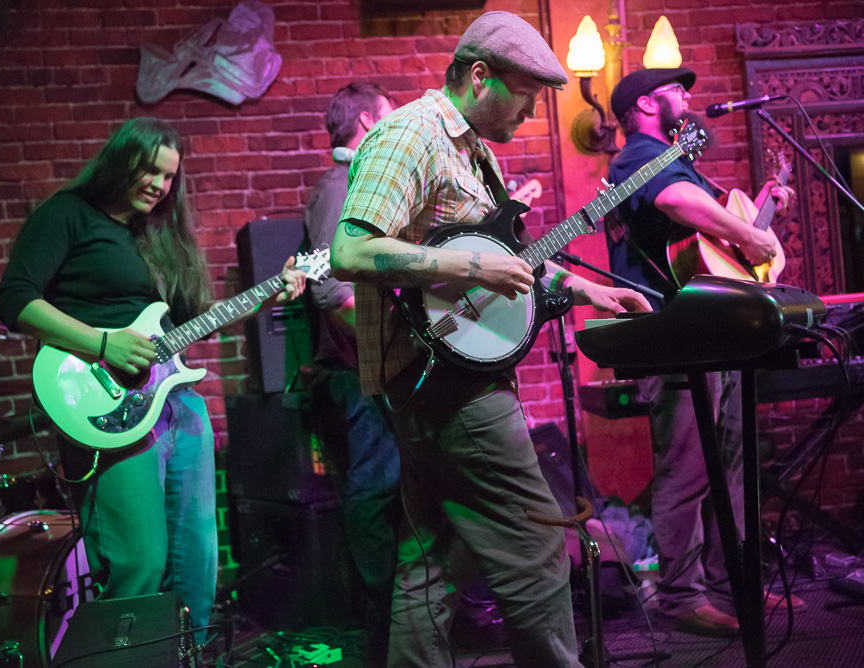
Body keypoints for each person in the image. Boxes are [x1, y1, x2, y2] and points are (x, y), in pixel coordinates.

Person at [331, 12, 651, 667]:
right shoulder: (412, 136)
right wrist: (471, 266)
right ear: (480, 77)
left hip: (445, 381)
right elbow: (350, 249)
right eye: (527, 96)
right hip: (446, 384)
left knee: (435, 558)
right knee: (537, 545)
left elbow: (510, 251)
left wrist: (590, 291)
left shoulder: (468, 148)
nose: (532, 113)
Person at [0, 117, 305, 639]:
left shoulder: (161, 238)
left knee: (197, 560)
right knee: (138, 560)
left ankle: (188, 653)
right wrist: (102, 342)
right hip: (106, 404)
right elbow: (15, 300)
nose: (159, 186)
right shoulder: (68, 215)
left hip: (177, 405)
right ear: (120, 160)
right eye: (150, 171)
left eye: (168, 178)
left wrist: (266, 296)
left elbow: (184, 326)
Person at [604, 67, 804, 636]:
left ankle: (731, 584)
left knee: (735, 466)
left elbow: (718, 230)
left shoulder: (675, 155)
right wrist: (751, 235)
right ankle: (680, 595)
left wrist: (761, 212)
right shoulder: (638, 158)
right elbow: (677, 201)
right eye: (676, 90)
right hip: (675, 336)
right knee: (688, 470)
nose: (688, 97)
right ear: (644, 104)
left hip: (717, 333)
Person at [303, 81, 399, 667]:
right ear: (366, 119)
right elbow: (331, 289)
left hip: (375, 364)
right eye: (387, 117)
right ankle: (382, 622)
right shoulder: (340, 186)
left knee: (388, 486)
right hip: (364, 366)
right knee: (375, 487)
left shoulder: (360, 181)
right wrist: (388, 345)